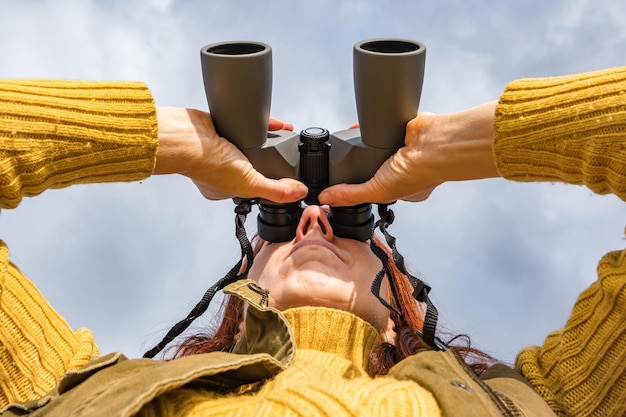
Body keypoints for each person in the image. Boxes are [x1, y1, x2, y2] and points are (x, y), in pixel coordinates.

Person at [0, 63, 624, 416]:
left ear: (401, 301)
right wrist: (177, 142)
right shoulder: (69, 384)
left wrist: (457, 144)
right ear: (242, 288)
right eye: (281, 223)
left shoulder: (550, 399)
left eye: (355, 224)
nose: (312, 220)